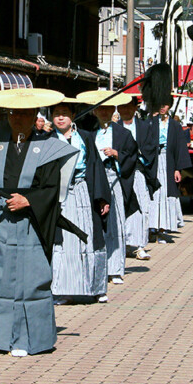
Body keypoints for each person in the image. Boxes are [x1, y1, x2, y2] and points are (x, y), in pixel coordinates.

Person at [0, 88, 80, 357]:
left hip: (29, 223)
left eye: (26, 113)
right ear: (8, 114)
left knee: (28, 281)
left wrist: (29, 201)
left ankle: (24, 338)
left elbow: (52, 189)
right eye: (15, 113)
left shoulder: (49, 147)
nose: (19, 118)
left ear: (35, 117)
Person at [50, 99, 111, 304]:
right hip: (58, 197)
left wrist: (102, 198)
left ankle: (96, 288)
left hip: (83, 190)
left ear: (73, 116)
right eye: (56, 113)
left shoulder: (84, 137)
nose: (60, 117)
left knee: (89, 237)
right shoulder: (46, 139)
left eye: (64, 113)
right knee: (63, 241)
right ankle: (62, 290)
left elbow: (96, 167)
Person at [76, 90, 138, 284]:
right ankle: (94, 268)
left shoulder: (123, 133)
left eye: (108, 109)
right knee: (92, 222)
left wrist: (117, 154)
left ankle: (115, 269)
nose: (104, 112)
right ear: (95, 111)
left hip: (112, 177)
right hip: (91, 180)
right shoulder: (86, 133)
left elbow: (132, 157)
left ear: (114, 110)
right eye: (100, 109)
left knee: (114, 223)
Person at [144, 96, 191, 243]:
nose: (162, 107)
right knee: (153, 193)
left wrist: (178, 169)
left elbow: (179, 148)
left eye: (165, 104)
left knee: (165, 193)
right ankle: (151, 227)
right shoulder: (150, 122)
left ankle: (163, 228)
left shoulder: (175, 125)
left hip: (168, 162)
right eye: (159, 104)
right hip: (153, 162)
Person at [117, 96, 158, 260]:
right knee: (121, 208)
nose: (125, 110)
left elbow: (150, 148)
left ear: (135, 108)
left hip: (138, 172)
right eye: (122, 106)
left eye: (129, 106)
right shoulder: (114, 127)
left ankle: (140, 245)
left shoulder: (144, 127)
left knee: (141, 208)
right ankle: (123, 244)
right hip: (120, 174)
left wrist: (135, 153)